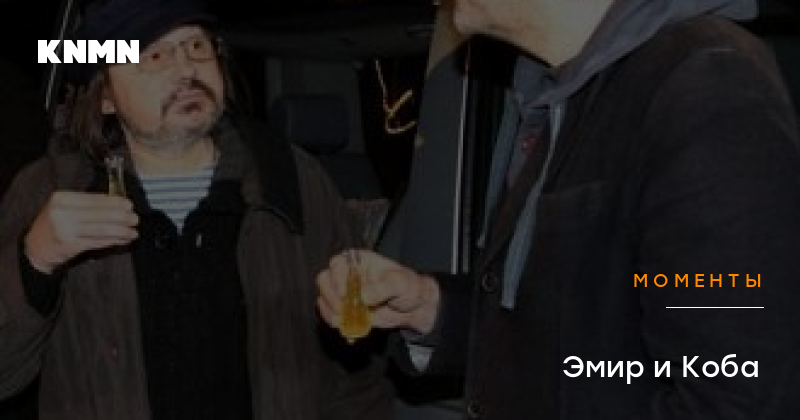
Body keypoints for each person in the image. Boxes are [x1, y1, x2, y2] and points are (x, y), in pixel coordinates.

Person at [317, 0, 800, 418]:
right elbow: (585, 347)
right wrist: (430, 307)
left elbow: (735, 390)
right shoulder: (558, 102)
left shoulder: (705, 87)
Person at [0, 0, 393, 419]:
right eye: (155, 55)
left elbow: (357, 371)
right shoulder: (49, 192)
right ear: (107, 97)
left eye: (196, 46)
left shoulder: (291, 182)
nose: (187, 68)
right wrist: (34, 261)